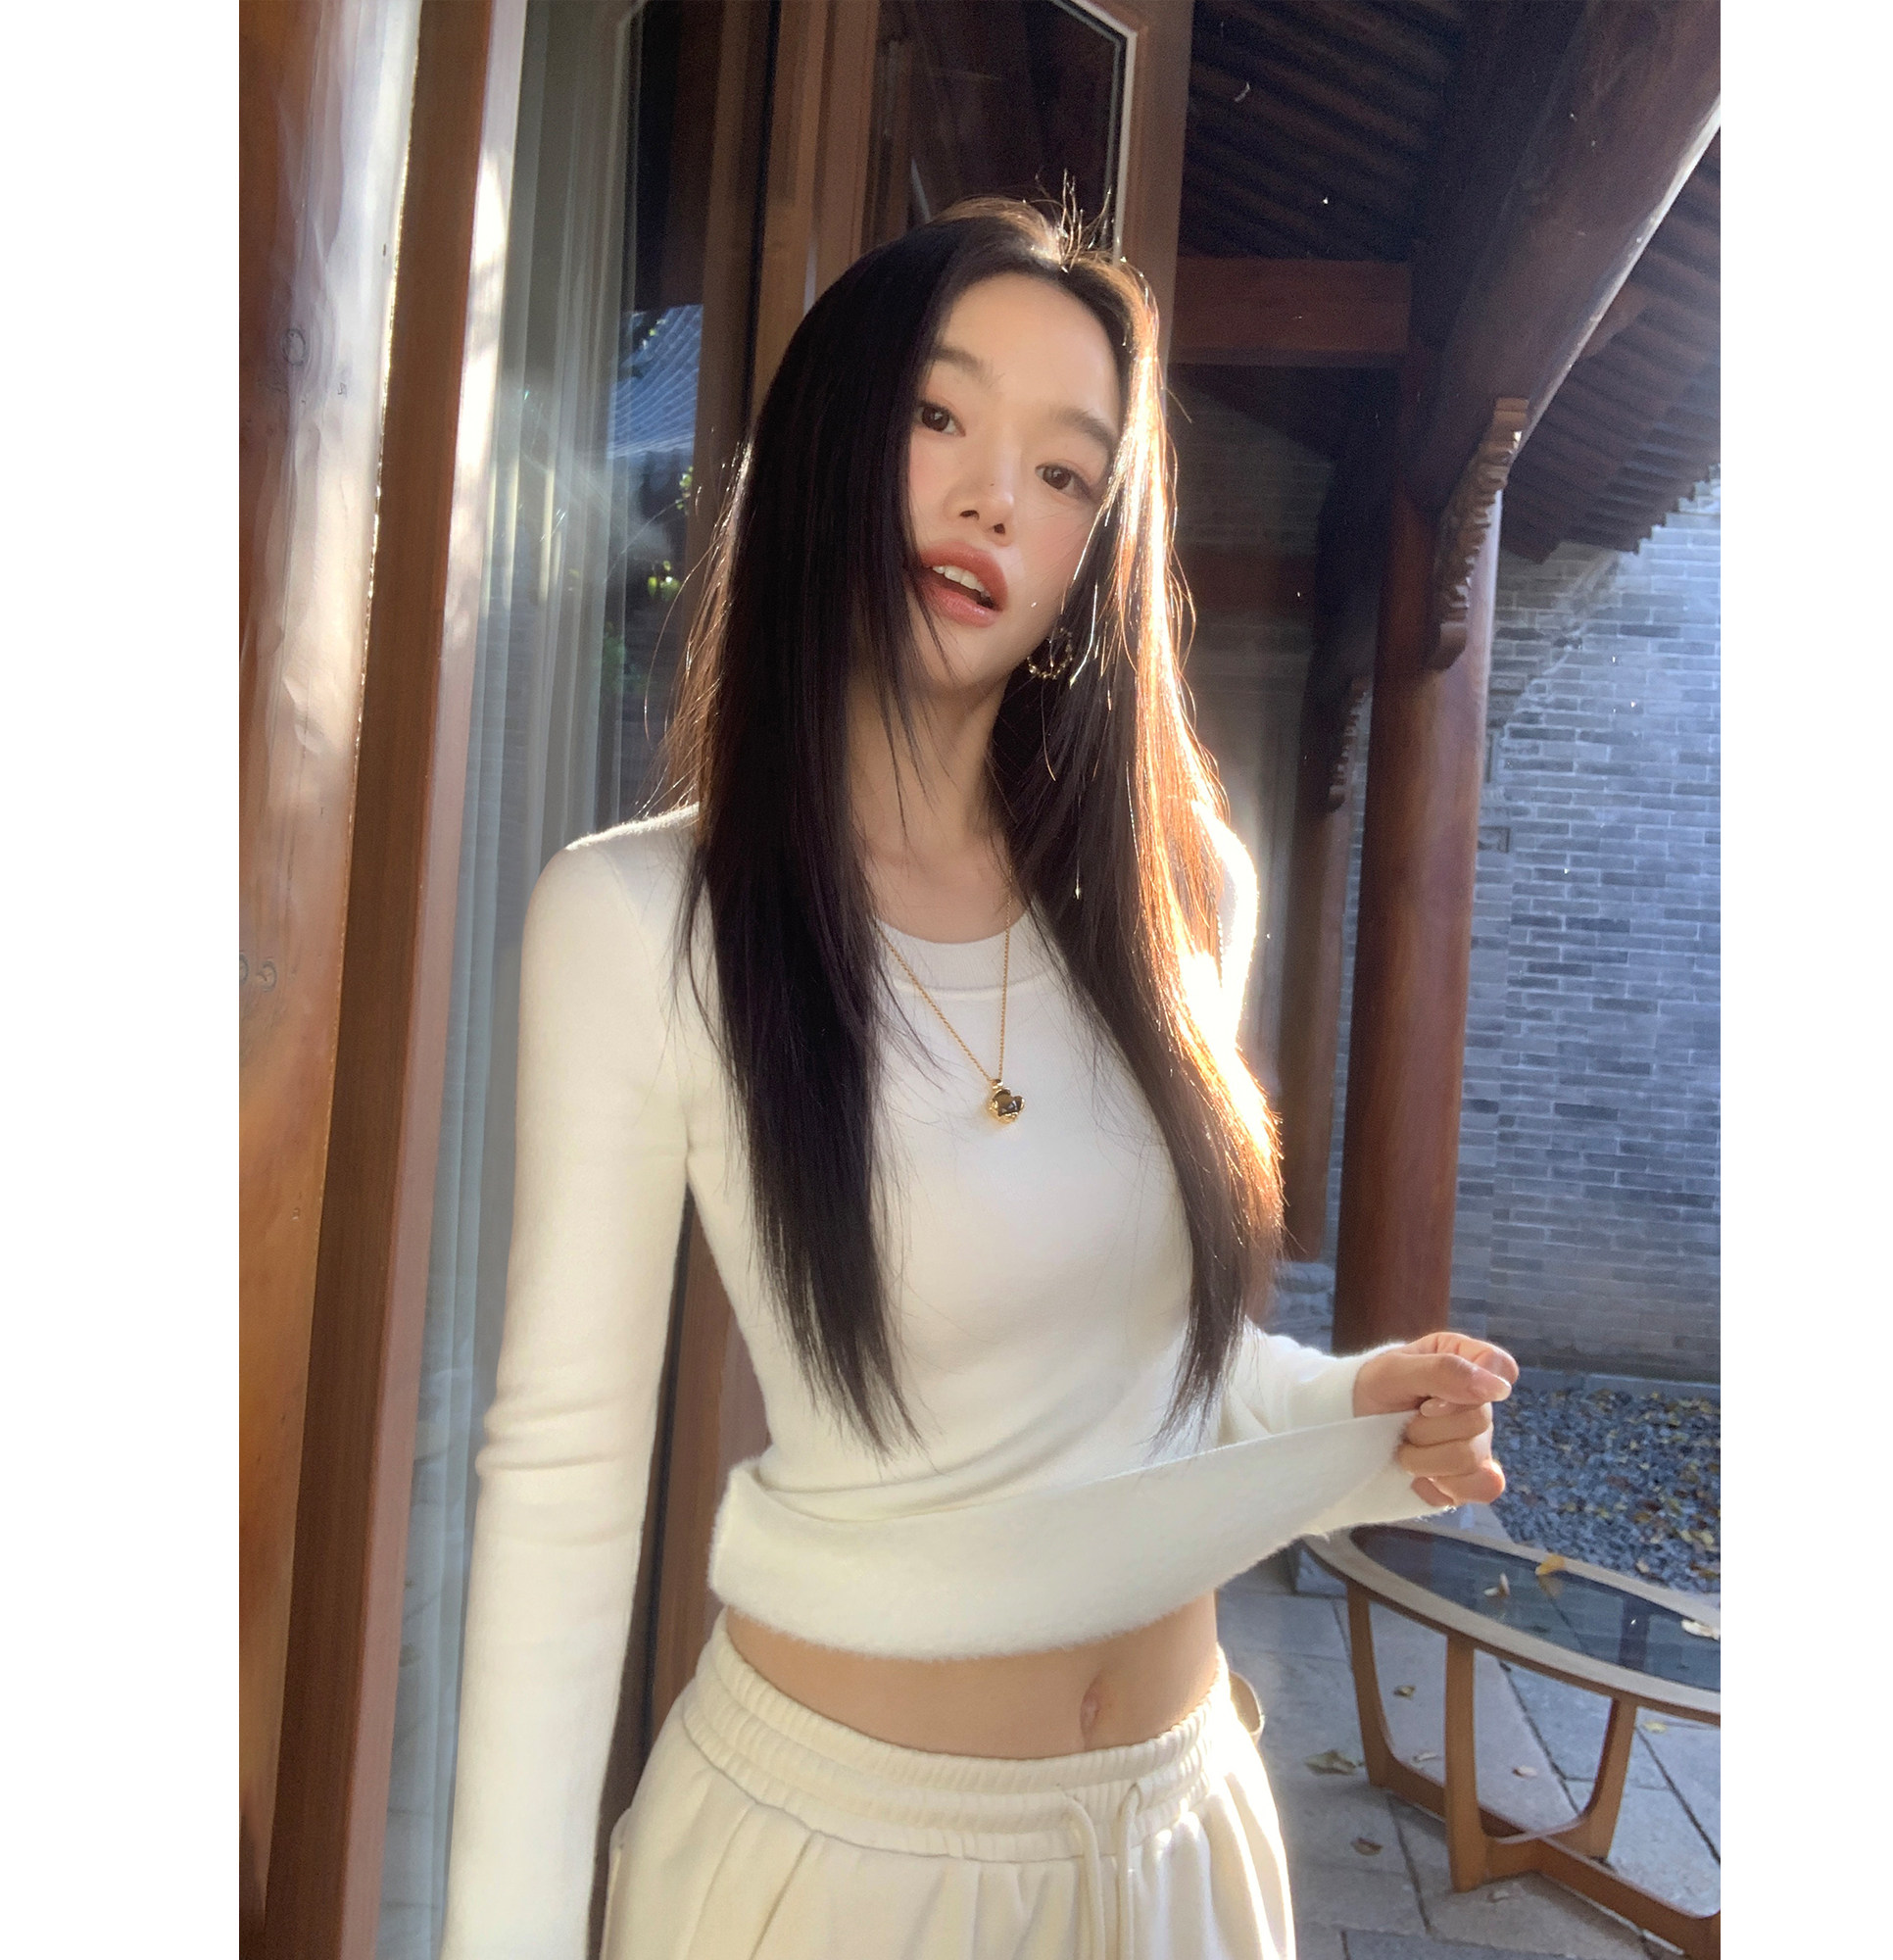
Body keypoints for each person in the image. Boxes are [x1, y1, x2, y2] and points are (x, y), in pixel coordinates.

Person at [438, 198, 1515, 1960]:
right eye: (941, 417)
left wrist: (1339, 1404)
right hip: (843, 1867)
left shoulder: (1182, 897)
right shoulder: (642, 923)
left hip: (1181, 1844)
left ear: (1100, 547)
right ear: (834, 439)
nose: (997, 497)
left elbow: (1130, 1382)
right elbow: (561, 1486)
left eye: (1068, 471)